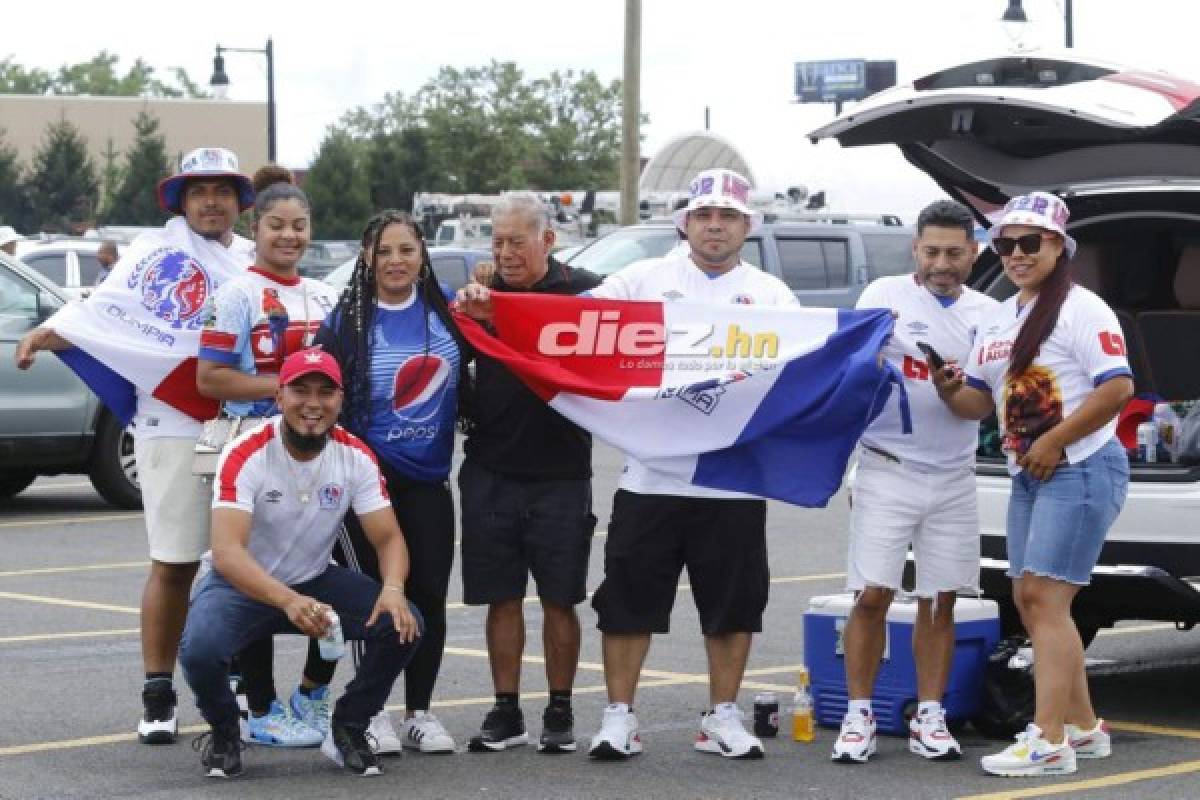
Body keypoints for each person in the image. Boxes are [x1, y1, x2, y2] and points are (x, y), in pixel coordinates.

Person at [15, 147, 256, 746]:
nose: (210, 200)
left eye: (222, 190)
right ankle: (159, 692)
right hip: (175, 423)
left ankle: (243, 686)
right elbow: (104, 312)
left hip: (237, 426)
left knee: (243, 561)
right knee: (175, 561)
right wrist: (52, 332)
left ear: (238, 201)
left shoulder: (252, 260)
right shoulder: (154, 254)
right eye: (197, 190)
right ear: (179, 199)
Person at [932, 191, 1132, 777]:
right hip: (1030, 473)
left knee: (1046, 600)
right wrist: (949, 388)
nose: (1015, 253)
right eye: (1004, 243)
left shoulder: (1081, 308)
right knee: (1029, 598)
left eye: (1030, 242)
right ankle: (1084, 729)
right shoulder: (999, 316)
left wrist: (1054, 441)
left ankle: (1047, 741)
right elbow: (976, 405)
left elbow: (1116, 388)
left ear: (1058, 247)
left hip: (1080, 467)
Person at [180, 348, 422, 778]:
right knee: (200, 650)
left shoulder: (355, 456)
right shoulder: (245, 453)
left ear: (340, 401)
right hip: (241, 585)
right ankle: (224, 733)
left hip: (314, 579)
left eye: (325, 393)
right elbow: (228, 551)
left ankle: (347, 727)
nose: (313, 403)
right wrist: (288, 601)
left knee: (404, 625)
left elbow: (388, 538)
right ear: (279, 396)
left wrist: (393, 590)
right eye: (301, 391)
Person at [830, 200, 997, 765]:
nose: (942, 263)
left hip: (955, 474)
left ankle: (931, 714)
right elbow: (847, 367)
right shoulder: (883, 295)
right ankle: (858, 714)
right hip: (887, 466)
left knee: (939, 602)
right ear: (915, 251)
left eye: (954, 252)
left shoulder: (992, 314)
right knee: (872, 594)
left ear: (974, 252)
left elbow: (983, 407)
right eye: (932, 252)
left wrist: (954, 390)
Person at [314, 210, 471, 754]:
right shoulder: (347, 319)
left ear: (422, 255)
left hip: (429, 481)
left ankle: (420, 712)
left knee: (427, 596)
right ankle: (371, 710)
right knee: (375, 599)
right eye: (385, 251)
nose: (397, 261)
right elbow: (318, 392)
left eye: (407, 250)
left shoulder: (447, 310)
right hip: (366, 486)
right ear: (367, 257)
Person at [196, 172, 339, 746]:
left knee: (324, 571)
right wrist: (289, 387)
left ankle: (312, 694)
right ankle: (260, 706)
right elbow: (210, 378)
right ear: (256, 229)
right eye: (277, 225)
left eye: (299, 226)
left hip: (318, 457)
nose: (289, 236)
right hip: (254, 451)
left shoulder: (326, 295)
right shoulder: (233, 296)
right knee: (255, 575)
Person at [457, 192, 602, 754]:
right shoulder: (479, 296)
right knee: (502, 597)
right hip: (490, 468)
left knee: (562, 599)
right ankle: (506, 710)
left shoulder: (584, 291)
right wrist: (483, 290)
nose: (507, 251)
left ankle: (560, 711)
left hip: (563, 471)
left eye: (518, 240)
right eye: (497, 241)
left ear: (548, 239)